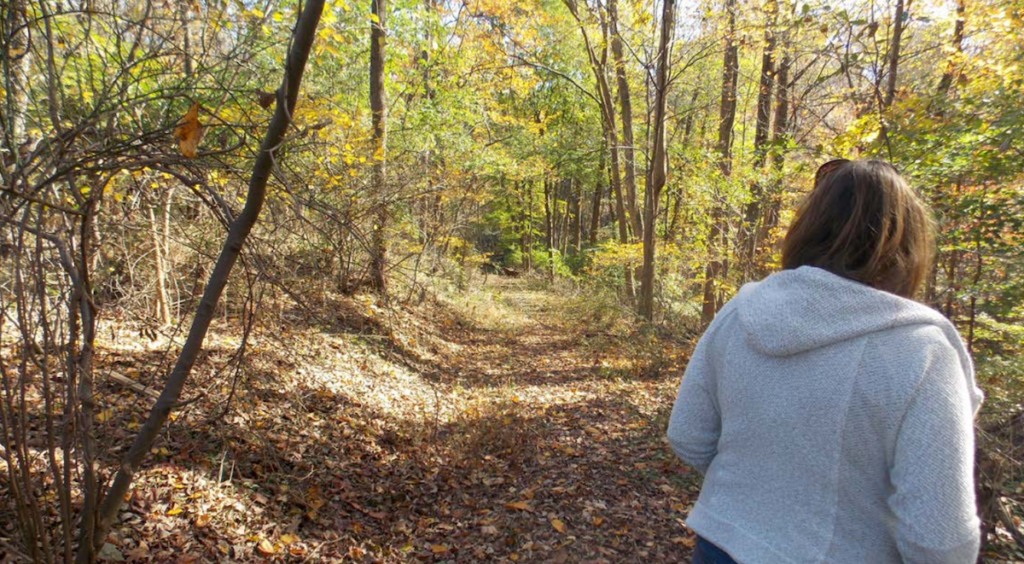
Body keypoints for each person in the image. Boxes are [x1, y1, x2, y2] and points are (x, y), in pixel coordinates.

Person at [667, 159, 983, 564]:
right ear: (907, 242)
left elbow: (688, 435)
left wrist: (757, 493)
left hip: (721, 544)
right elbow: (941, 540)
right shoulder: (922, 350)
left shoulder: (740, 313)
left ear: (807, 227)